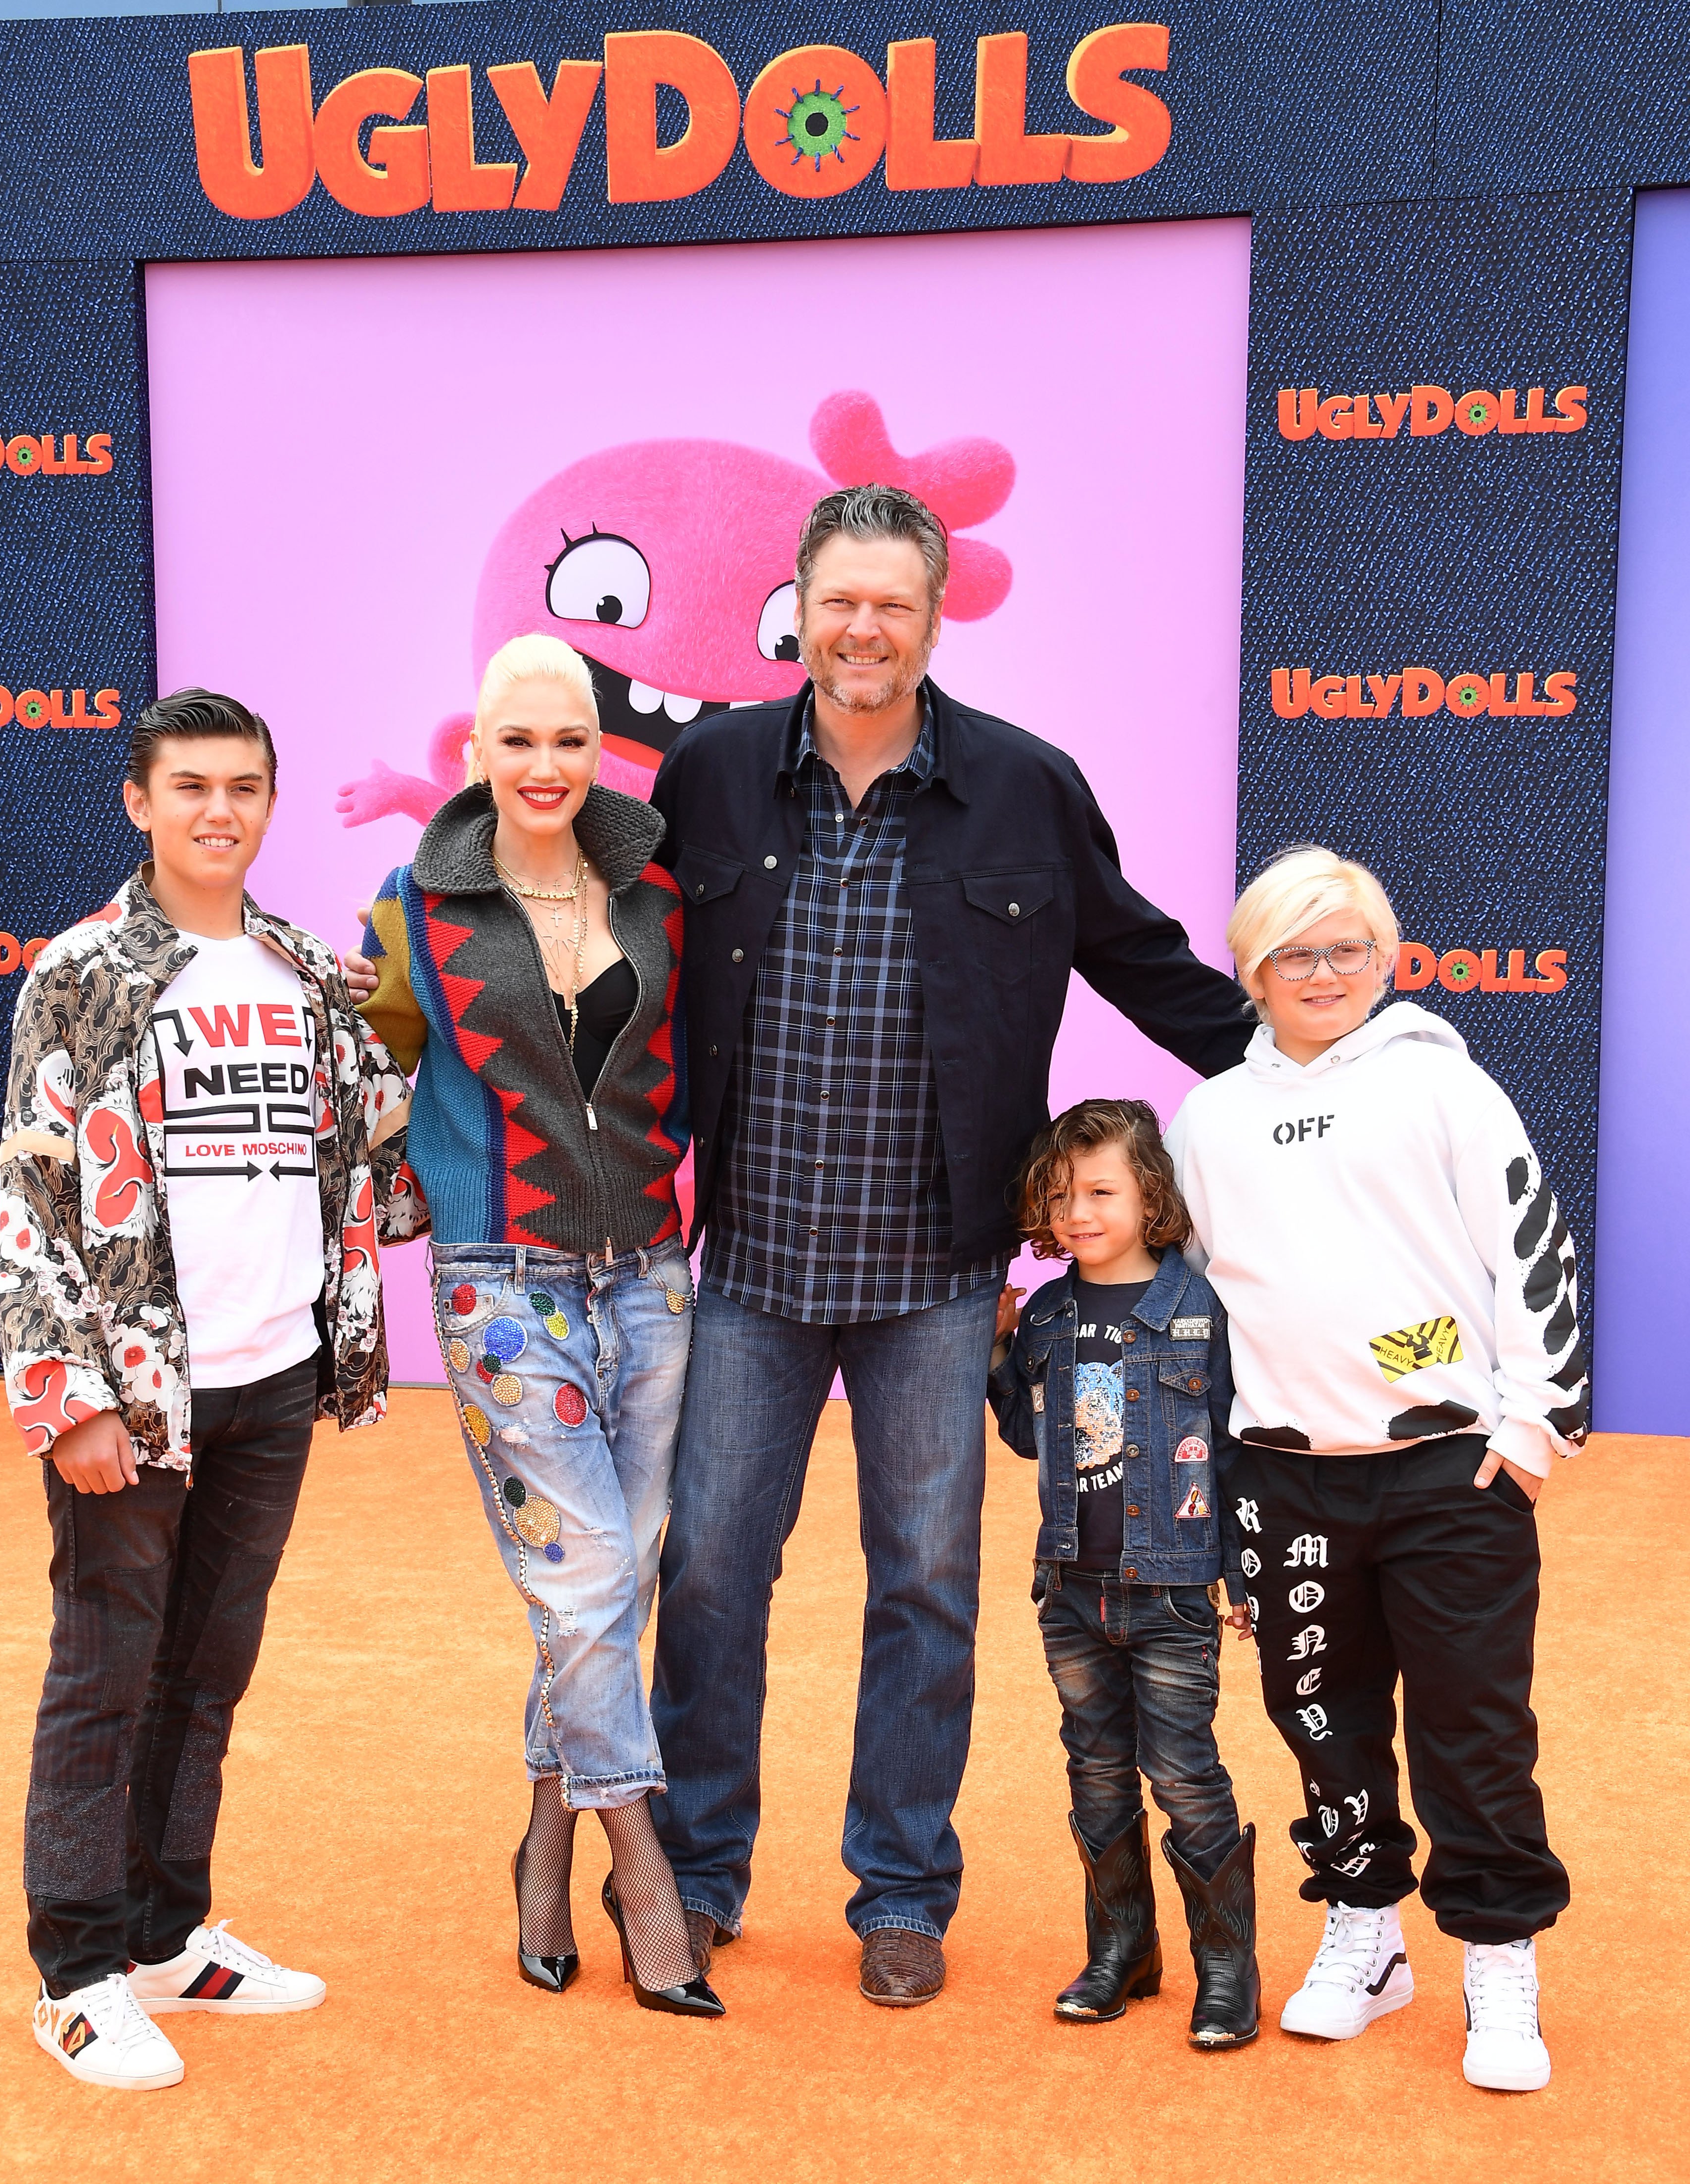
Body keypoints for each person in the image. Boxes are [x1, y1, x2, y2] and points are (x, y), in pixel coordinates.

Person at [642, 483, 1256, 2004]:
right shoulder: (707, 775)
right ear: (797, 602)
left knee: (922, 1582)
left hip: (940, 1276)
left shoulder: (1025, 788)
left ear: (934, 615)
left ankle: (901, 1891)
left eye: (893, 606)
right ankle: (699, 1875)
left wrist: (1307, 1065)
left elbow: (1137, 957)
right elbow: (579, 937)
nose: (864, 629)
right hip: (755, 1271)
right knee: (713, 1576)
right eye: (839, 600)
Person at [0, 688, 420, 2091]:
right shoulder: (81, 974)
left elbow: (375, 1145)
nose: (218, 811)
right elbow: (33, 1201)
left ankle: (168, 1935)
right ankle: (75, 1971)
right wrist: (72, 1399)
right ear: (139, 802)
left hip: (273, 1380)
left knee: (207, 1671)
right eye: (188, 787)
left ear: (268, 802)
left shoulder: (307, 973)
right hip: (138, 1391)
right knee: (104, 1673)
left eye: (242, 786)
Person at [1165, 845, 1584, 2093]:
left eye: (1347, 947)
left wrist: (1526, 1436)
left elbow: (1534, 1255)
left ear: (1385, 957)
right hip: (1284, 1484)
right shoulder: (1208, 1120)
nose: (1324, 972)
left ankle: (1497, 1955)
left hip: (1447, 1478)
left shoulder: (1446, 1090)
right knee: (1318, 1724)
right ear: (1250, 970)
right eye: (1295, 951)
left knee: (1470, 1727)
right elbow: (1187, 1301)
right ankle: (1365, 1931)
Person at [353, 633, 721, 2017]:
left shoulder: (661, 891)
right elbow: (366, 1071)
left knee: (610, 1586)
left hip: (650, 1278)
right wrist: (426, 1186)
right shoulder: (409, 909)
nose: (545, 767)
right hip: (501, 1286)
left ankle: (544, 1847)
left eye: (568, 741)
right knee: (579, 1585)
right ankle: (646, 1876)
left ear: (598, 751)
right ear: (474, 755)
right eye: (517, 743)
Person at [989, 1099, 1259, 2048]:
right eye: (1060, 1196)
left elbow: (1236, 1451)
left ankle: (1226, 1972)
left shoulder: (1200, 1309)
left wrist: (1242, 1575)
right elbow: (1029, 1437)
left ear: (1152, 1196)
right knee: (1094, 1773)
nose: (1078, 1212)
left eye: (1102, 1191)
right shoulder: (1052, 1315)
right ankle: (1121, 1953)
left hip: (1175, 1587)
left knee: (1183, 1773)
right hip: (1069, 1587)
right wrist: (996, 1350)